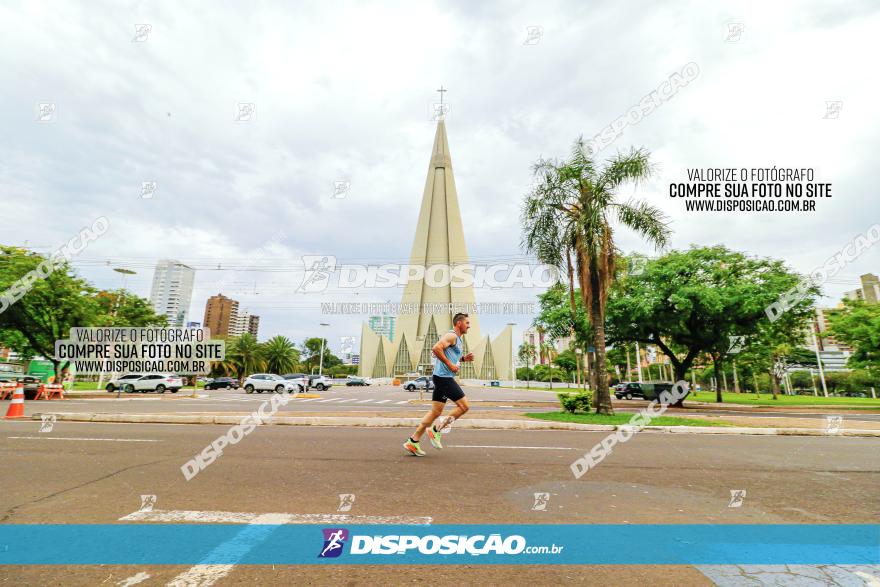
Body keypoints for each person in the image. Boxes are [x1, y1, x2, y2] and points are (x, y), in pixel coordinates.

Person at [403, 313, 474, 456]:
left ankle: (413, 441)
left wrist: (463, 359)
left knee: (435, 412)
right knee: (465, 406)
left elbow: (450, 356)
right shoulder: (451, 335)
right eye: (467, 323)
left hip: (440, 377)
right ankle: (436, 430)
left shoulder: (457, 339)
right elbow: (436, 348)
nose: (469, 325)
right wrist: (449, 365)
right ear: (459, 323)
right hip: (444, 378)